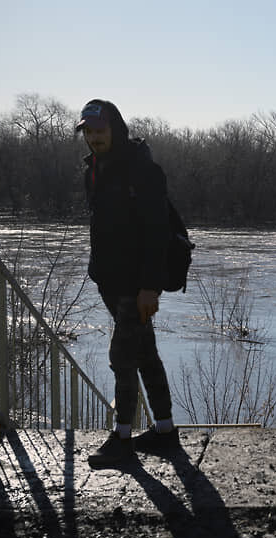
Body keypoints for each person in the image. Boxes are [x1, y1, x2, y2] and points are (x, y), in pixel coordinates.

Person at [75, 99, 181, 468]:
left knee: (122, 357)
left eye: (99, 130)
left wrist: (150, 286)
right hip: (110, 280)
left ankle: (121, 440)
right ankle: (165, 431)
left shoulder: (143, 170)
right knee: (144, 353)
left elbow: (157, 233)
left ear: (115, 129)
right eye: (87, 131)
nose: (93, 137)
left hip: (137, 284)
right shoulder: (93, 169)